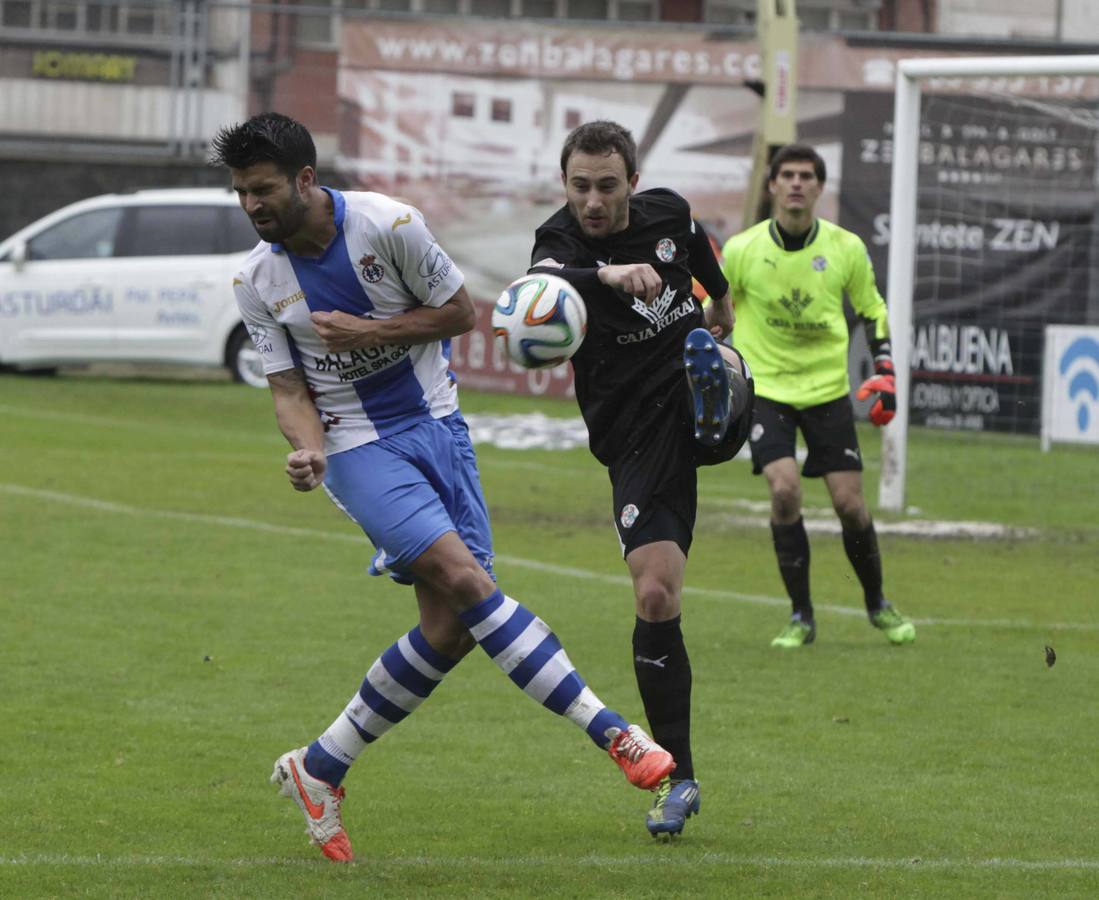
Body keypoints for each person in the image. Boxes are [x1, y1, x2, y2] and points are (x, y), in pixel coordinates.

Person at [210, 112, 676, 863]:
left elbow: (461, 313)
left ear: (304, 180)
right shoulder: (257, 279)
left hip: (438, 426)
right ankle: (611, 731)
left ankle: (318, 768)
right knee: (464, 579)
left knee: (451, 629)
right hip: (358, 449)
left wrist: (369, 334)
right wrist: (306, 452)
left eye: (262, 190)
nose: (252, 207)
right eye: (241, 194)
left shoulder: (388, 225)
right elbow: (289, 389)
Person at [528, 120, 754, 839]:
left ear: (632, 180)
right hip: (631, 435)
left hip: (689, 381)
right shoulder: (559, 244)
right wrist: (603, 276)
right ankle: (679, 780)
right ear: (565, 185)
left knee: (711, 368)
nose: (591, 201)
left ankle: (719, 391)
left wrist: (719, 315)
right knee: (655, 593)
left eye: (605, 185)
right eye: (578, 186)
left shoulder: (668, 213)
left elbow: (711, 278)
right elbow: (533, 290)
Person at [719, 143, 916, 649]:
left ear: (819, 187)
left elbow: (872, 309)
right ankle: (801, 616)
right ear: (772, 186)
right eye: (787, 175)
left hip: (827, 391)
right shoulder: (742, 249)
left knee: (850, 505)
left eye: (807, 175)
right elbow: (713, 309)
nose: (797, 184)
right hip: (768, 390)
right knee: (784, 491)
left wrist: (887, 370)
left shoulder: (845, 247)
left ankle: (877, 603)